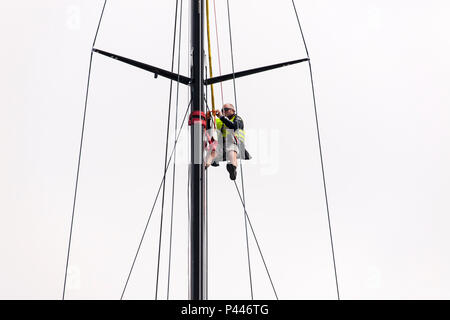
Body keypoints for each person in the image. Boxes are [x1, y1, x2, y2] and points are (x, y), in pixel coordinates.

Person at [205, 103, 250, 180]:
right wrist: (208, 119)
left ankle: (232, 167)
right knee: (212, 150)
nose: (224, 111)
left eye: (226, 110)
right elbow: (209, 130)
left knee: (231, 150)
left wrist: (222, 117)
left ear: (233, 110)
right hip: (221, 144)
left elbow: (234, 126)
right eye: (222, 110)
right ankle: (205, 164)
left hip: (234, 143)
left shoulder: (237, 119)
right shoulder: (218, 120)